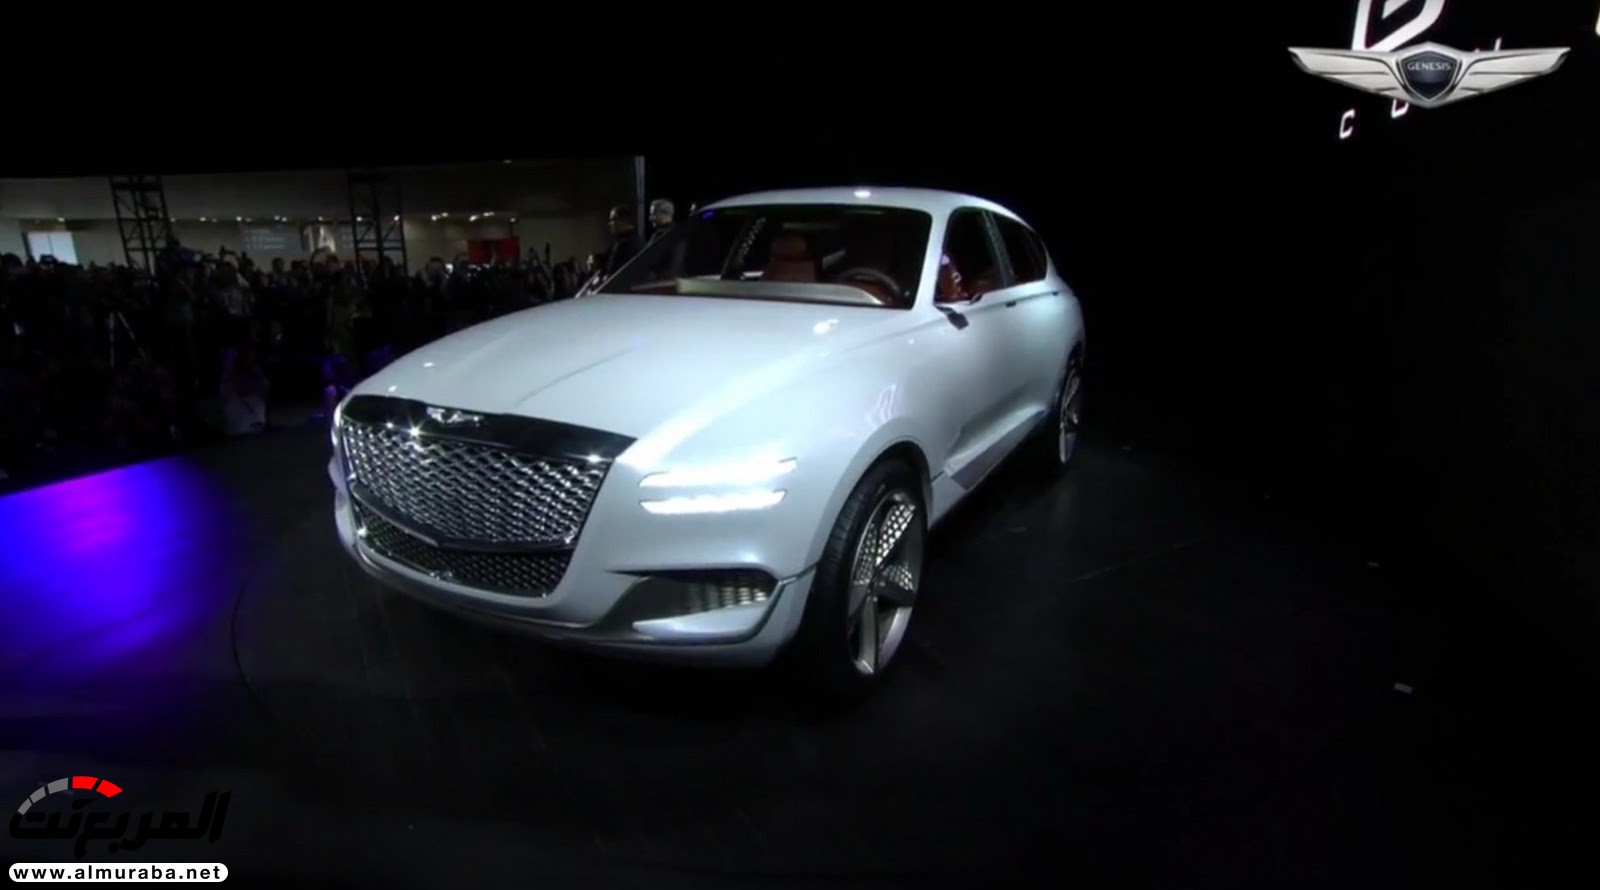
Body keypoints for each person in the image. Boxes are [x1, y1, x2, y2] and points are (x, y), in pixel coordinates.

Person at [605, 204, 645, 278]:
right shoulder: (639, 241)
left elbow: (613, 276)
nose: (610, 224)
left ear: (622, 220)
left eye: (612, 220)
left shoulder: (623, 245)